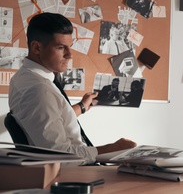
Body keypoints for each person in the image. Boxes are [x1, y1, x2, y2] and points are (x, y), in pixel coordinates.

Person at [8, 12, 137, 165]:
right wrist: (113, 148)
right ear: (36, 47)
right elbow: (60, 155)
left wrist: (82, 107)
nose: (69, 55)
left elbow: (51, 116)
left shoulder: (25, 77)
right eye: (61, 47)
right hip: (74, 172)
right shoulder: (38, 90)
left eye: (69, 47)